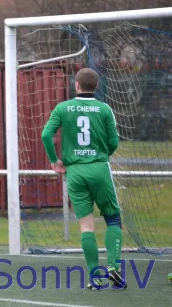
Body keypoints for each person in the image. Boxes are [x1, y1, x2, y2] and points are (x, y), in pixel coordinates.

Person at [41, 67, 126, 290]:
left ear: (76, 84)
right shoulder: (104, 109)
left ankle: (95, 277)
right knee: (113, 219)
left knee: (86, 225)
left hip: (75, 172)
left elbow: (46, 134)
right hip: (99, 168)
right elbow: (114, 142)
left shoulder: (63, 108)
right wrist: (101, 154)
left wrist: (54, 160)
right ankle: (114, 267)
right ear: (96, 86)